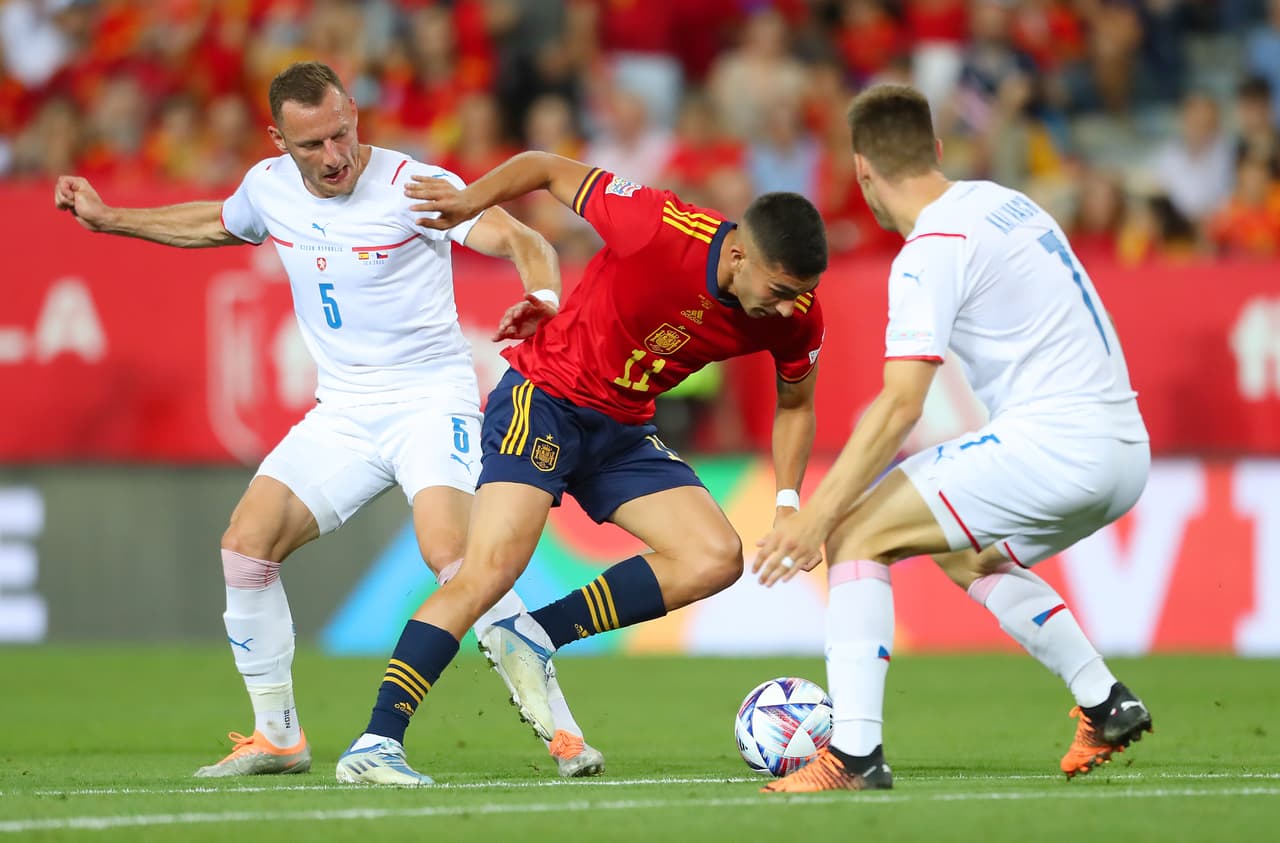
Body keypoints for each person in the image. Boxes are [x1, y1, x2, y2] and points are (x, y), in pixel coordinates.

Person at [53, 61, 603, 783]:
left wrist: (541, 293)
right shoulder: (269, 187)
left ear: (353, 114)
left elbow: (524, 240)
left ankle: (562, 731)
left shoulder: (413, 185)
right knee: (246, 542)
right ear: (280, 139)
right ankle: (277, 735)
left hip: (429, 401)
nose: (335, 156)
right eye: (313, 145)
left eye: (343, 133)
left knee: (456, 553)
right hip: (342, 408)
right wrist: (109, 218)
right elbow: (216, 222)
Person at [333, 150, 829, 783]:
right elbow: (544, 165)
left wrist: (787, 504)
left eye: (801, 296)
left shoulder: (795, 314)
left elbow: (796, 404)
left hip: (621, 430)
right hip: (544, 400)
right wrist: (469, 200)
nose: (790, 310)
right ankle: (376, 740)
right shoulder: (658, 226)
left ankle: (534, 635)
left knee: (713, 556)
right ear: (738, 256)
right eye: (781, 292)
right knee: (486, 572)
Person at [752, 83, 1154, 793]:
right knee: (964, 553)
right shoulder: (1007, 202)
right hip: (1124, 452)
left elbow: (902, 403)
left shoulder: (930, 248)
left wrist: (816, 515)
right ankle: (1104, 699)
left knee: (852, 535)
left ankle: (853, 756)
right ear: (936, 151)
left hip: (1055, 445)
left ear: (862, 173)